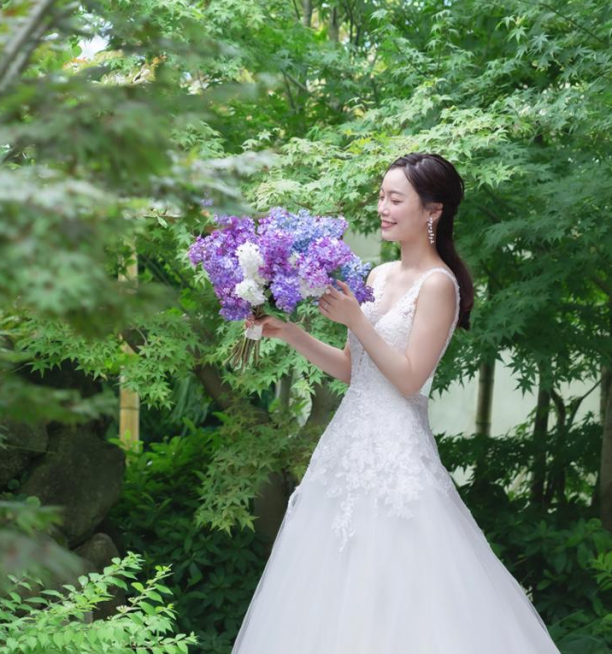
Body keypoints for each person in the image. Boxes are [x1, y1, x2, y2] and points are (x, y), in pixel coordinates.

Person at [234, 152, 561, 653]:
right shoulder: (379, 276)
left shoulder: (440, 285)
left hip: (397, 452)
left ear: (433, 210)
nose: (382, 208)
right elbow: (353, 368)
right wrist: (290, 332)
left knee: (402, 585)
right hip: (346, 446)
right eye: (381, 197)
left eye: (395, 198)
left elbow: (409, 378)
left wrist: (356, 321)